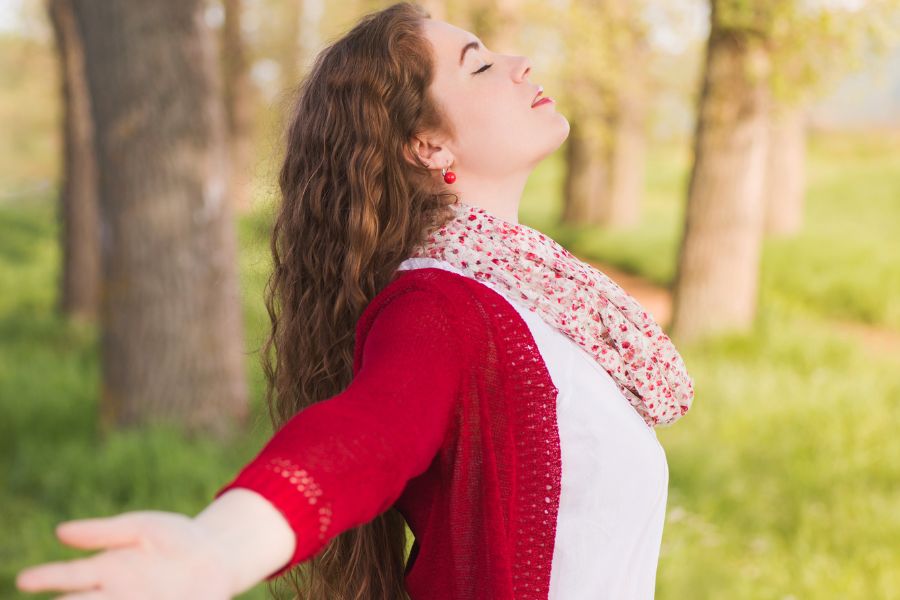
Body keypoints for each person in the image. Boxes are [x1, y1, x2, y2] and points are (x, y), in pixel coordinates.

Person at [16, 2, 694, 599]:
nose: (517, 63)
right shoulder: (441, 306)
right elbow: (366, 436)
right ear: (427, 145)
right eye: (479, 67)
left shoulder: (542, 297)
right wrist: (218, 549)